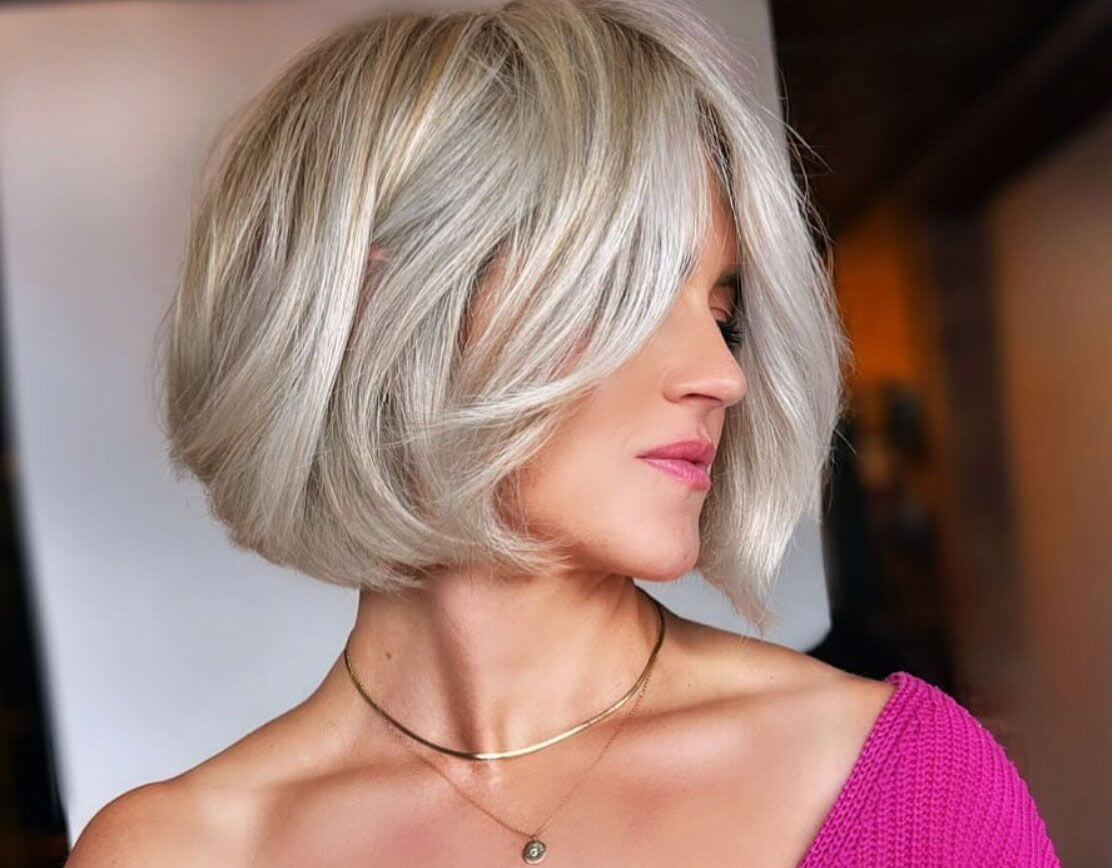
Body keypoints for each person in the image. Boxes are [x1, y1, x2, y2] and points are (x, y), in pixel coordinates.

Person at [67, 0, 1060, 864]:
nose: (722, 376)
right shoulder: (173, 850)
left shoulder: (898, 781)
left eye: (721, 313)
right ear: (383, 313)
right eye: (628, 295)